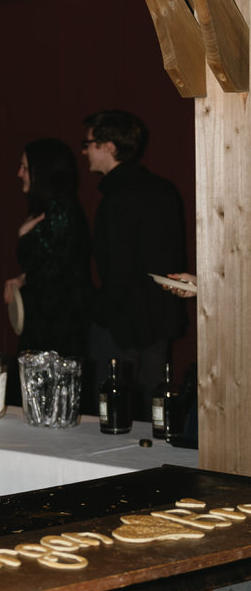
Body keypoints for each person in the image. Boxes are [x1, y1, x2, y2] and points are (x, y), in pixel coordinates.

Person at [82, 109, 187, 421]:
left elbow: (120, 271)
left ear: (110, 146)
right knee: (155, 415)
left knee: (116, 415)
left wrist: (99, 317)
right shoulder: (162, 189)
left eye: (88, 143)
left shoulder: (117, 200)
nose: (84, 150)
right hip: (159, 318)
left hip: (123, 324)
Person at [3, 137, 93, 361]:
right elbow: (54, 262)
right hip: (54, 319)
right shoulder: (56, 207)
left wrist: (23, 237)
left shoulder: (59, 210)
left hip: (57, 323)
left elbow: (54, 272)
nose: (19, 173)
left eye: (25, 167)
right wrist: (22, 278)